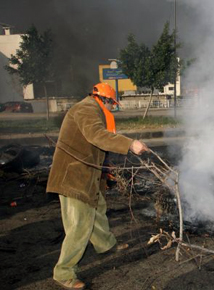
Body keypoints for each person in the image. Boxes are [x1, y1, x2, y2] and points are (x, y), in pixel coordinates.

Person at [46, 83, 148, 290]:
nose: (113, 109)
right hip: (73, 178)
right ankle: (63, 272)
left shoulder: (92, 108)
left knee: (98, 209)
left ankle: (105, 245)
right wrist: (129, 143)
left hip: (86, 176)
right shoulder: (86, 109)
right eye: (113, 105)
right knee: (80, 225)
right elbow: (96, 135)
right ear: (106, 100)